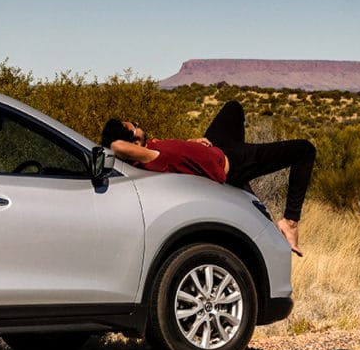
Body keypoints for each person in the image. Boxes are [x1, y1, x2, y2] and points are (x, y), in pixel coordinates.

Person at [101, 101, 315, 254]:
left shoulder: (151, 146)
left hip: (216, 144)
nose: (139, 124)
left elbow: (178, 153)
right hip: (232, 161)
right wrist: (116, 141)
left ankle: (241, 188)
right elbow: (116, 146)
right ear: (133, 144)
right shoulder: (149, 157)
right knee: (305, 150)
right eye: (134, 127)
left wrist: (191, 143)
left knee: (234, 107)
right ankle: (290, 222)